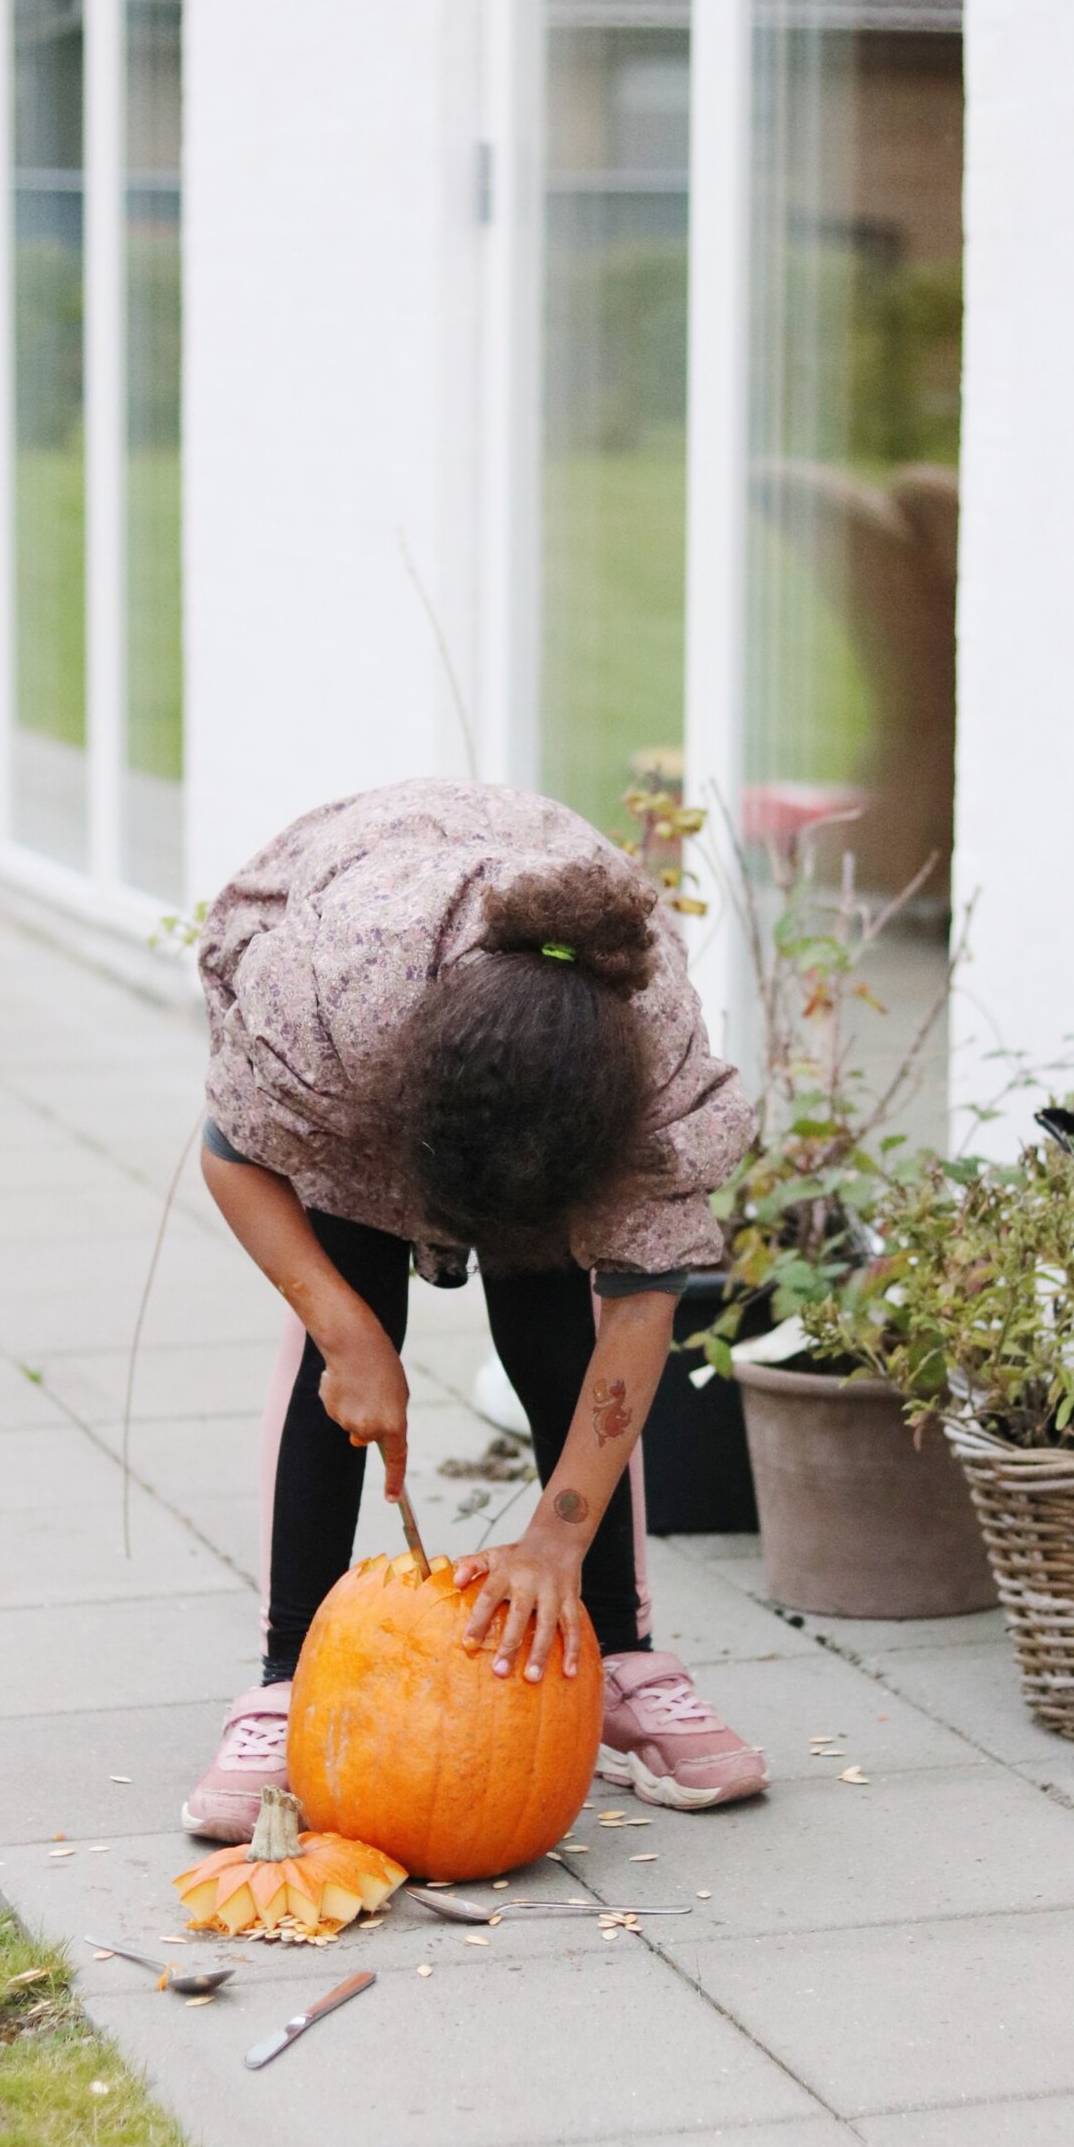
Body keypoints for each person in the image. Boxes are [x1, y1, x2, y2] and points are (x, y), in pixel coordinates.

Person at [182, 777, 768, 1843]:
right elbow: (233, 1160)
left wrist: (554, 1538)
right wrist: (346, 1332)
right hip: (373, 983)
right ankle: (282, 1678)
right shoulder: (335, 1006)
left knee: (556, 1333)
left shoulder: (653, 1064)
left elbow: (639, 1310)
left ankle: (620, 1652)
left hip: (553, 1074)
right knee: (350, 1316)